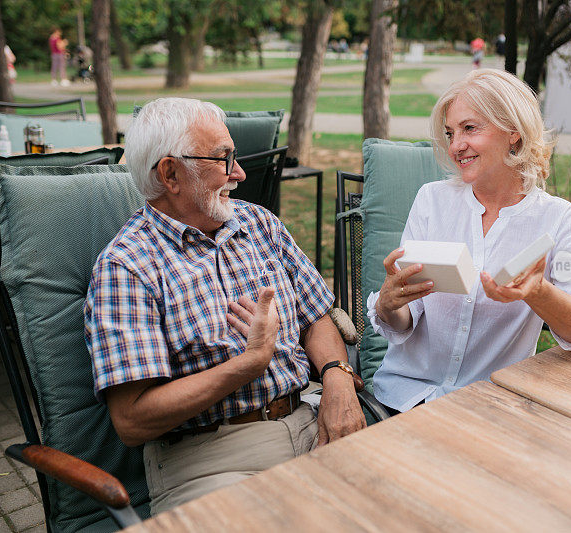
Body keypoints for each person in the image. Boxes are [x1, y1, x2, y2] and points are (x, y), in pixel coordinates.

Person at [84, 97, 365, 515]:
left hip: (307, 423)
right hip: (210, 461)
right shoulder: (128, 267)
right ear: (171, 173)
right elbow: (132, 420)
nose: (240, 173)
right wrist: (247, 365)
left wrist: (338, 378)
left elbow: (316, 316)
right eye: (223, 159)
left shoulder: (259, 224)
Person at [367, 69, 571, 414]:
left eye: (470, 128)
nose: (456, 146)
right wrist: (388, 305)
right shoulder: (431, 201)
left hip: (488, 409)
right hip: (404, 399)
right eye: (450, 133)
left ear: (514, 131)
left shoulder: (559, 219)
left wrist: (539, 293)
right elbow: (407, 318)